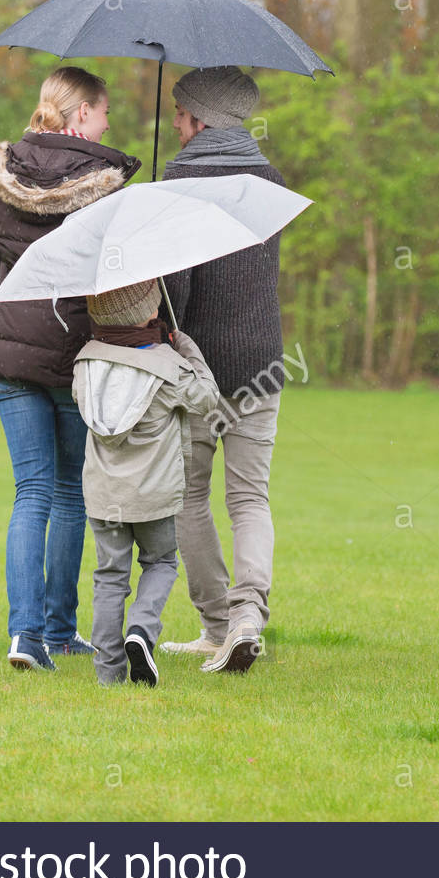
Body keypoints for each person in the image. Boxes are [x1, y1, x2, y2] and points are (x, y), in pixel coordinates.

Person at [0, 66, 141, 672]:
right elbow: (119, 279)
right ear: (79, 116)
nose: (106, 124)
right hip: (76, 356)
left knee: (31, 492)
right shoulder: (107, 190)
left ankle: (25, 637)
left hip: (11, 356)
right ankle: (57, 628)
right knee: (70, 491)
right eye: (102, 113)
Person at [155, 66, 287, 674]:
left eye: (180, 115)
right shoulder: (270, 179)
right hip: (262, 361)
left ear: (201, 120)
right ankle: (247, 618)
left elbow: (177, 288)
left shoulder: (180, 180)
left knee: (189, 497)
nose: (176, 125)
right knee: (250, 499)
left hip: (200, 366)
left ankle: (215, 626)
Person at [70, 281, 220, 687]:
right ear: (148, 311)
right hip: (152, 496)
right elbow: (207, 398)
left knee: (110, 576)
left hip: (104, 497)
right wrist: (186, 348)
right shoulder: (168, 367)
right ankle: (141, 629)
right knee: (160, 563)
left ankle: (108, 672)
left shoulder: (84, 363)